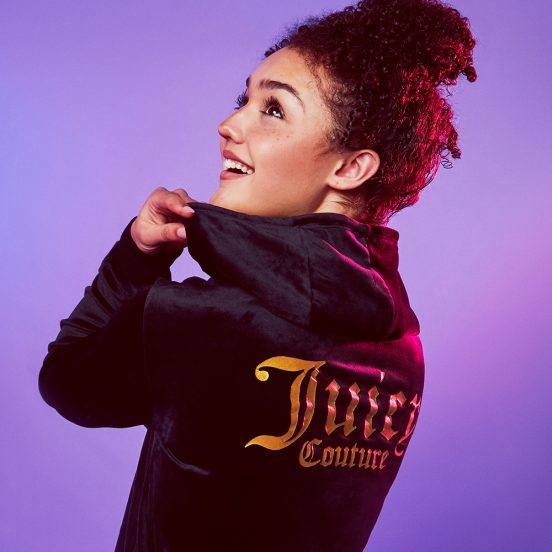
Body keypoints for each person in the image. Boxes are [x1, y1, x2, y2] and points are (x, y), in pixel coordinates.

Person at [38, 0, 477, 550]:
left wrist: (136, 256)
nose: (228, 125)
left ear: (350, 167)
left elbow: (66, 380)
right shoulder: (404, 354)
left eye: (273, 109)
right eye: (243, 99)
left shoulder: (196, 319)